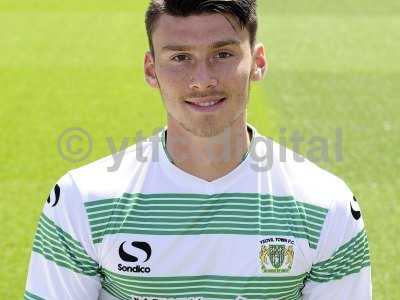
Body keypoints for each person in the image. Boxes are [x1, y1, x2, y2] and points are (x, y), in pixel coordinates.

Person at [24, 0, 371, 299]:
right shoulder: (81, 200)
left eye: (222, 54)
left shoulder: (326, 206)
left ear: (258, 62)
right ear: (151, 69)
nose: (202, 79)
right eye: (180, 57)